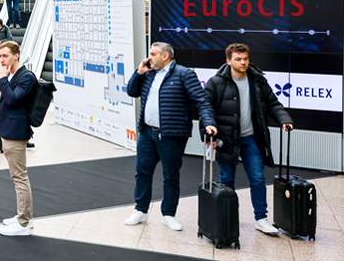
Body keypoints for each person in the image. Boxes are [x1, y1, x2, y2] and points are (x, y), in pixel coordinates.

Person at [203, 43, 295, 236]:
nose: (243, 62)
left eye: (245, 58)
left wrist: (284, 119)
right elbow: (206, 109)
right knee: (227, 180)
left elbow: (273, 103)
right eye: (238, 59)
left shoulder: (257, 81)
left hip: (252, 138)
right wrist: (208, 131)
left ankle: (261, 219)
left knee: (258, 178)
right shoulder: (216, 82)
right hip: (227, 139)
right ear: (228, 61)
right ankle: (228, 216)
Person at [123, 42, 216, 231]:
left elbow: (201, 100)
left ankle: (168, 214)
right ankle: (141, 210)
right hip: (148, 132)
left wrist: (209, 122)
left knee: (171, 176)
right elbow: (132, 91)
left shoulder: (184, 74)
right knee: (142, 172)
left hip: (171, 135)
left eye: (153, 54)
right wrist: (139, 72)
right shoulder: (149, 73)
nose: (149, 58)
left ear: (165, 56)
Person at [0, 41, 36, 236]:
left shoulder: (26, 76)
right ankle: (24, 216)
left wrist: (2, 79)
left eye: (5, 56)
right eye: (0, 56)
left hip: (16, 132)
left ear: (16, 55)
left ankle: (24, 222)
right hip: (9, 128)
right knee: (18, 176)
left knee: (19, 177)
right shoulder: (14, 75)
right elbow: (11, 101)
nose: (2, 60)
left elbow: (15, 98)